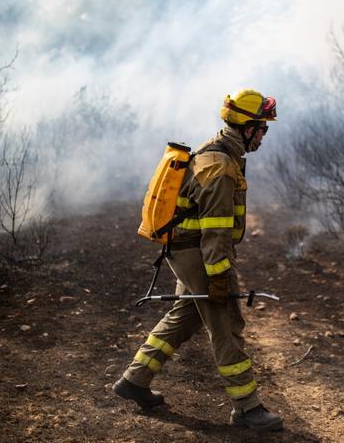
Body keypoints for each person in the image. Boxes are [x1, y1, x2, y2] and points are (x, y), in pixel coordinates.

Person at [112, 89, 283, 432]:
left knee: (186, 315)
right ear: (246, 126)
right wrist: (220, 278)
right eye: (262, 128)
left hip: (187, 250)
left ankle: (135, 380)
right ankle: (247, 409)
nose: (265, 135)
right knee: (226, 325)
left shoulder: (220, 154)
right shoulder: (219, 167)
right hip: (200, 256)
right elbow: (215, 232)